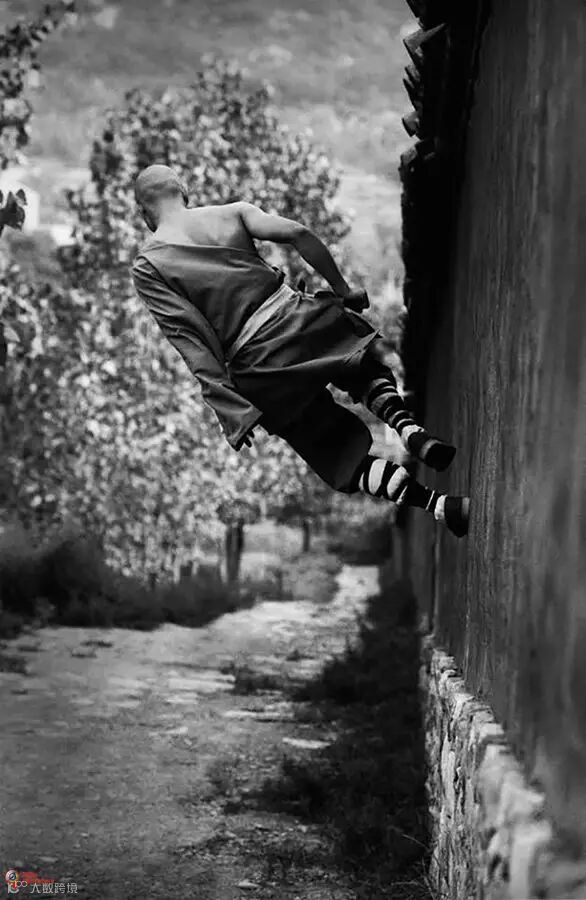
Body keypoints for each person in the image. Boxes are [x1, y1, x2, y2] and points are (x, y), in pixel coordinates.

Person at [131, 164, 469, 537]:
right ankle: (409, 429)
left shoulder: (150, 266)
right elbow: (298, 233)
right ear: (183, 190)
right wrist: (343, 290)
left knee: (335, 450)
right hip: (299, 321)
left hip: (259, 367)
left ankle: (442, 506)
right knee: (360, 363)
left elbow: (189, 339)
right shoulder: (233, 213)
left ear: (144, 212)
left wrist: (231, 409)